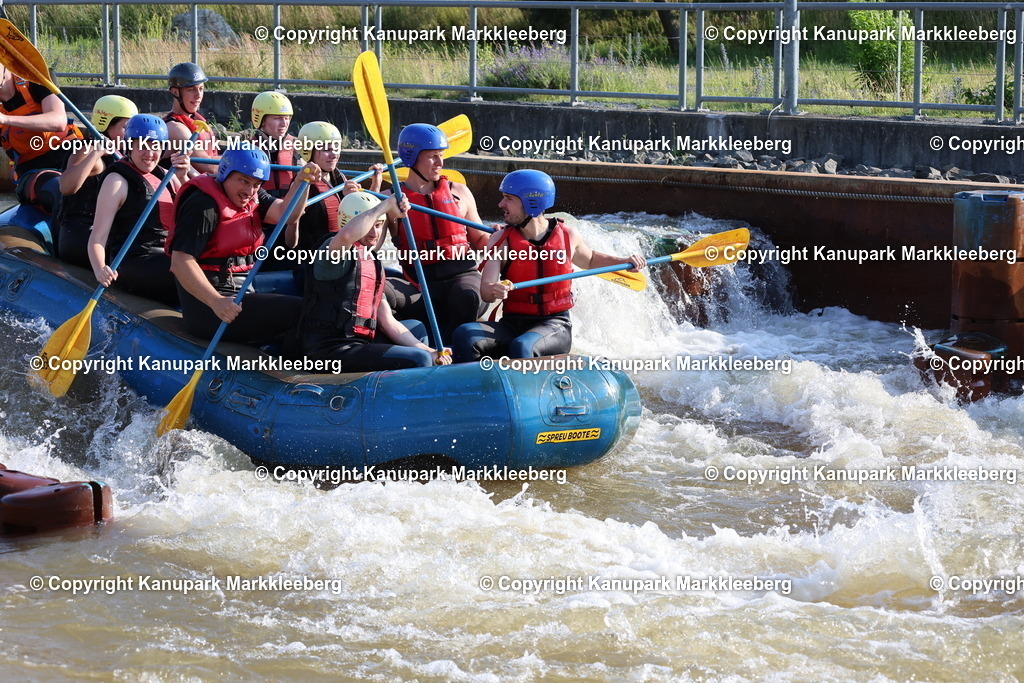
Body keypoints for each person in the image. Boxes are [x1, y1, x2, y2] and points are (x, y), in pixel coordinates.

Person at [453, 170, 645, 362]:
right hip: (512, 323)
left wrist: (624, 262)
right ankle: (473, 390)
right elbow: (485, 291)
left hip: (554, 325)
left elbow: (591, 260)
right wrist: (494, 290)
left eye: (508, 198)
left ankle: (527, 390)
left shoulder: (567, 235)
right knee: (465, 334)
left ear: (531, 203)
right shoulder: (500, 240)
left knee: (522, 346)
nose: (501, 204)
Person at [166, 145, 320, 343]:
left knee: (311, 305)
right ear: (225, 174)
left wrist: (302, 182)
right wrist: (216, 301)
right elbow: (180, 262)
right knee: (299, 311)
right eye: (243, 181)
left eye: (256, 184)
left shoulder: (253, 196)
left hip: (240, 292)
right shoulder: (203, 205)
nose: (249, 190)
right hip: (209, 309)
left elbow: (286, 214)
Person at [300, 191, 450, 371]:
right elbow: (347, 236)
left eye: (379, 225)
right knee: (418, 359)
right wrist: (385, 205)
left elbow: (388, 322)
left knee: (417, 331)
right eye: (370, 225)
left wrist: (430, 351)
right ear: (349, 223)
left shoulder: (370, 261)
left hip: (359, 344)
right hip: (329, 351)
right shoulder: (333, 251)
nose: (374, 232)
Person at [385, 123, 489, 338]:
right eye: (433, 156)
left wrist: (502, 237)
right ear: (411, 157)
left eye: (441, 155)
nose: (440, 163)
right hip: (418, 282)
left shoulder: (459, 192)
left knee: (466, 296)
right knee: (381, 292)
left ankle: (454, 351)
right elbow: (370, 245)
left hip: (463, 276)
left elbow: (480, 241)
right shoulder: (390, 198)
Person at [87, 115, 189, 306]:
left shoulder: (168, 175)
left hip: (166, 257)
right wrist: (100, 269)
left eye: (156, 146)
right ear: (129, 146)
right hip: (133, 263)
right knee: (187, 266)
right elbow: (97, 239)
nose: (149, 153)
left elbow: (194, 218)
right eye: (142, 145)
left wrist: (184, 178)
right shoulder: (116, 181)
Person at [56, 94, 137, 267]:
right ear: (107, 125)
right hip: (80, 236)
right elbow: (65, 187)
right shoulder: (87, 150)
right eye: (126, 127)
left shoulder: (123, 153)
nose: (130, 133)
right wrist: (96, 153)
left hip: (104, 233)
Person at [285, 121, 382, 255]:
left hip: (340, 254)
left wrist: (375, 184)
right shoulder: (301, 184)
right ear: (308, 151)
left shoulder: (338, 177)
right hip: (313, 260)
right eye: (326, 149)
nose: (334, 154)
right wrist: (294, 218)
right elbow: (290, 241)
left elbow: (368, 219)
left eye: (336, 148)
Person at [0, 65, 82, 221]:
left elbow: (58, 120)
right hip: (35, 173)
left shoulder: (36, 75)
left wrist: (6, 119)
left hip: (73, 157)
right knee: (60, 190)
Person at [238, 91, 299, 197]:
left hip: (289, 204)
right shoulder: (247, 148)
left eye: (287, 118)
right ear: (262, 120)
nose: (284, 124)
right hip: (261, 204)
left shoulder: (297, 147)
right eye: (277, 118)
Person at [163, 62, 218, 168]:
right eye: (191, 89)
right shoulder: (175, 128)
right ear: (175, 92)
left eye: (201, 89)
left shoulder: (197, 119)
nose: (198, 95)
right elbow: (210, 167)